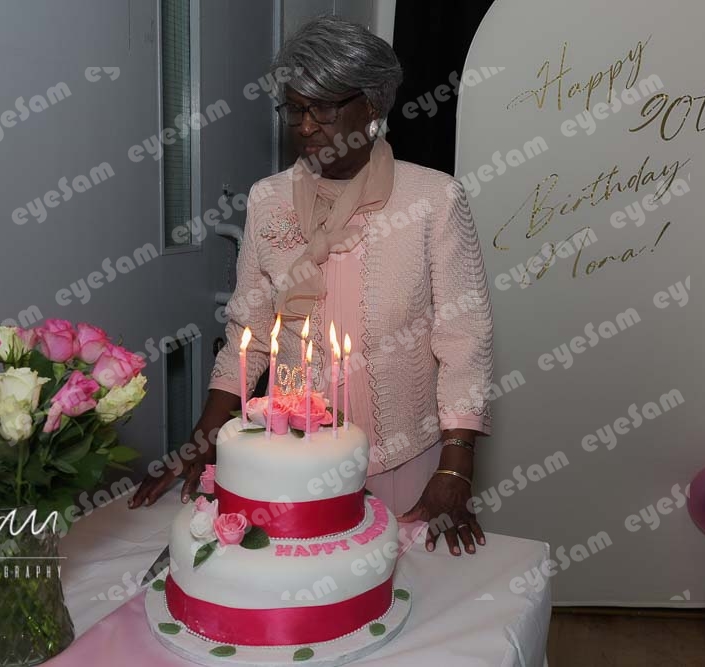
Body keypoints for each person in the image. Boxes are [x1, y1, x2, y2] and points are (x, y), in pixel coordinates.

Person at [130, 15, 494, 557]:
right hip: (294, 455)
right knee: (298, 584)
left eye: (323, 108)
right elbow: (249, 329)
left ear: (371, 105)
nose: (304, 127)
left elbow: (466, 338)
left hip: (404, 459)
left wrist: (456, 467)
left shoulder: (433, 200)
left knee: (395, 591)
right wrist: (203, 439)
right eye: (295, 109)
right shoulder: (268, 199)